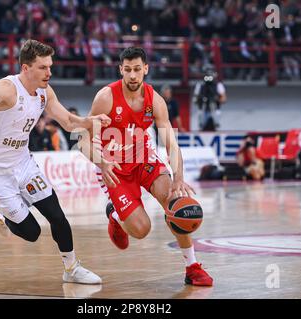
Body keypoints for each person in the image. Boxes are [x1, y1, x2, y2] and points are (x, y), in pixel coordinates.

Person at [0, 39, 111, 285]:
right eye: (43, 67)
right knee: (32, 233)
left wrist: (89, 121)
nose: (49, 72)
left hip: (24, 163)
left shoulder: (45, 92)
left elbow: (68, 122)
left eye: (50, 66)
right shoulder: (7, 89)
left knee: (57, 215)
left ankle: (71, 268)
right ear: (26, 68)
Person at [79, 47, 213, 286]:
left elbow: (171, 142)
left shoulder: (155, 100)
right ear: (121, 69)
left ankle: (192, 267)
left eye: (137, 70)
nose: (132, 75)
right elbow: (82, 139)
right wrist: (100, 161)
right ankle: (115, 214)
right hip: (114, 170)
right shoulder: (105, 97)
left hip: (145, 160)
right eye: (127, 70)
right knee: (141, 230)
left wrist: (178, 177)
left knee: (175, 203)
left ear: (146, 69)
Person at [192, 65, 226, 131]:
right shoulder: (200, 85)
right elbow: (195, 99)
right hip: (203, 108)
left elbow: (224, 98)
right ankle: (201, 127)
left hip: (214, 108)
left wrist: (217, 99)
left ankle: (217, 127)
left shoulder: (218, 85)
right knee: (200, 115)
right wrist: (200, 99)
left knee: (217, 115)